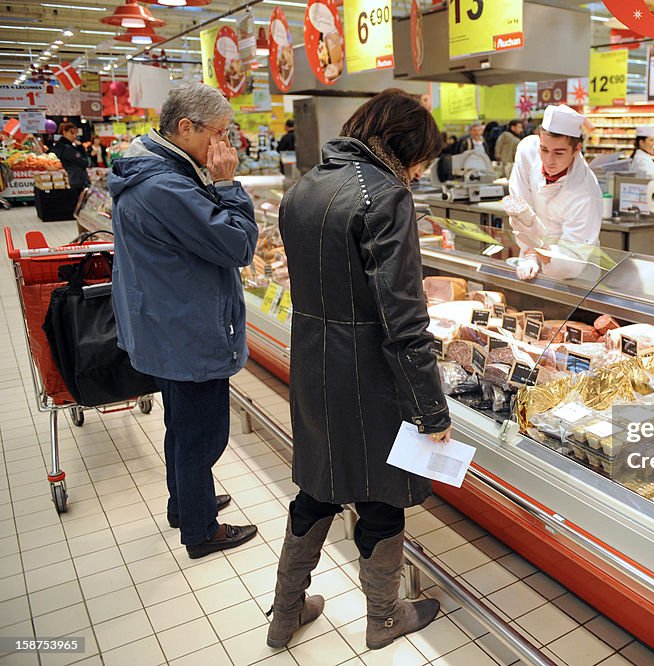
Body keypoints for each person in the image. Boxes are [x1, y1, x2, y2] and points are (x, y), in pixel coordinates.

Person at [267, 89, 451, 650]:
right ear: (402, 146)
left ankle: (284, 613)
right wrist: (430, 408)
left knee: (317, 487)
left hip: (313, 366)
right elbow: (404, 317)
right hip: (369, 376)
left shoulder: (304, 187)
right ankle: (384, 618)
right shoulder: (386, 196)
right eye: (420, 158)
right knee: (379, 494)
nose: (418, 172)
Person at [109, 82, 259, 560]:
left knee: (182, 424)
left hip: (166, 322)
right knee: (202, 433)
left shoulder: (152, 169)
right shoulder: (166, 185)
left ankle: (185, 502)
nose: (224, 145)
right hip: (188, 329)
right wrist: (228, 186)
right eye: (219, 133)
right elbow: (238, 246)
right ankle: (201, 531)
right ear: (185, 128)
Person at [505, 104, 603, 281]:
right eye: (544, 149)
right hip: (531, 257)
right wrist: (530, 254)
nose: (549, 161)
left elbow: (571, 259)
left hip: (574, 274)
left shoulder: (585, 192)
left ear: (576, 149)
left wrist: (536, 246)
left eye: (559, 153)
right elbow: (521, 205)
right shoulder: (527, 151)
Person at [52, 122, 90, 189]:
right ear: (64, 132)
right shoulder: (66, 148)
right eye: (72, 133)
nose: (74, 136)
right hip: (76, 181)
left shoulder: (63, 146)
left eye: (75, 134)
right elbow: (84, 162)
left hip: (72, 180)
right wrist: (81, 148)